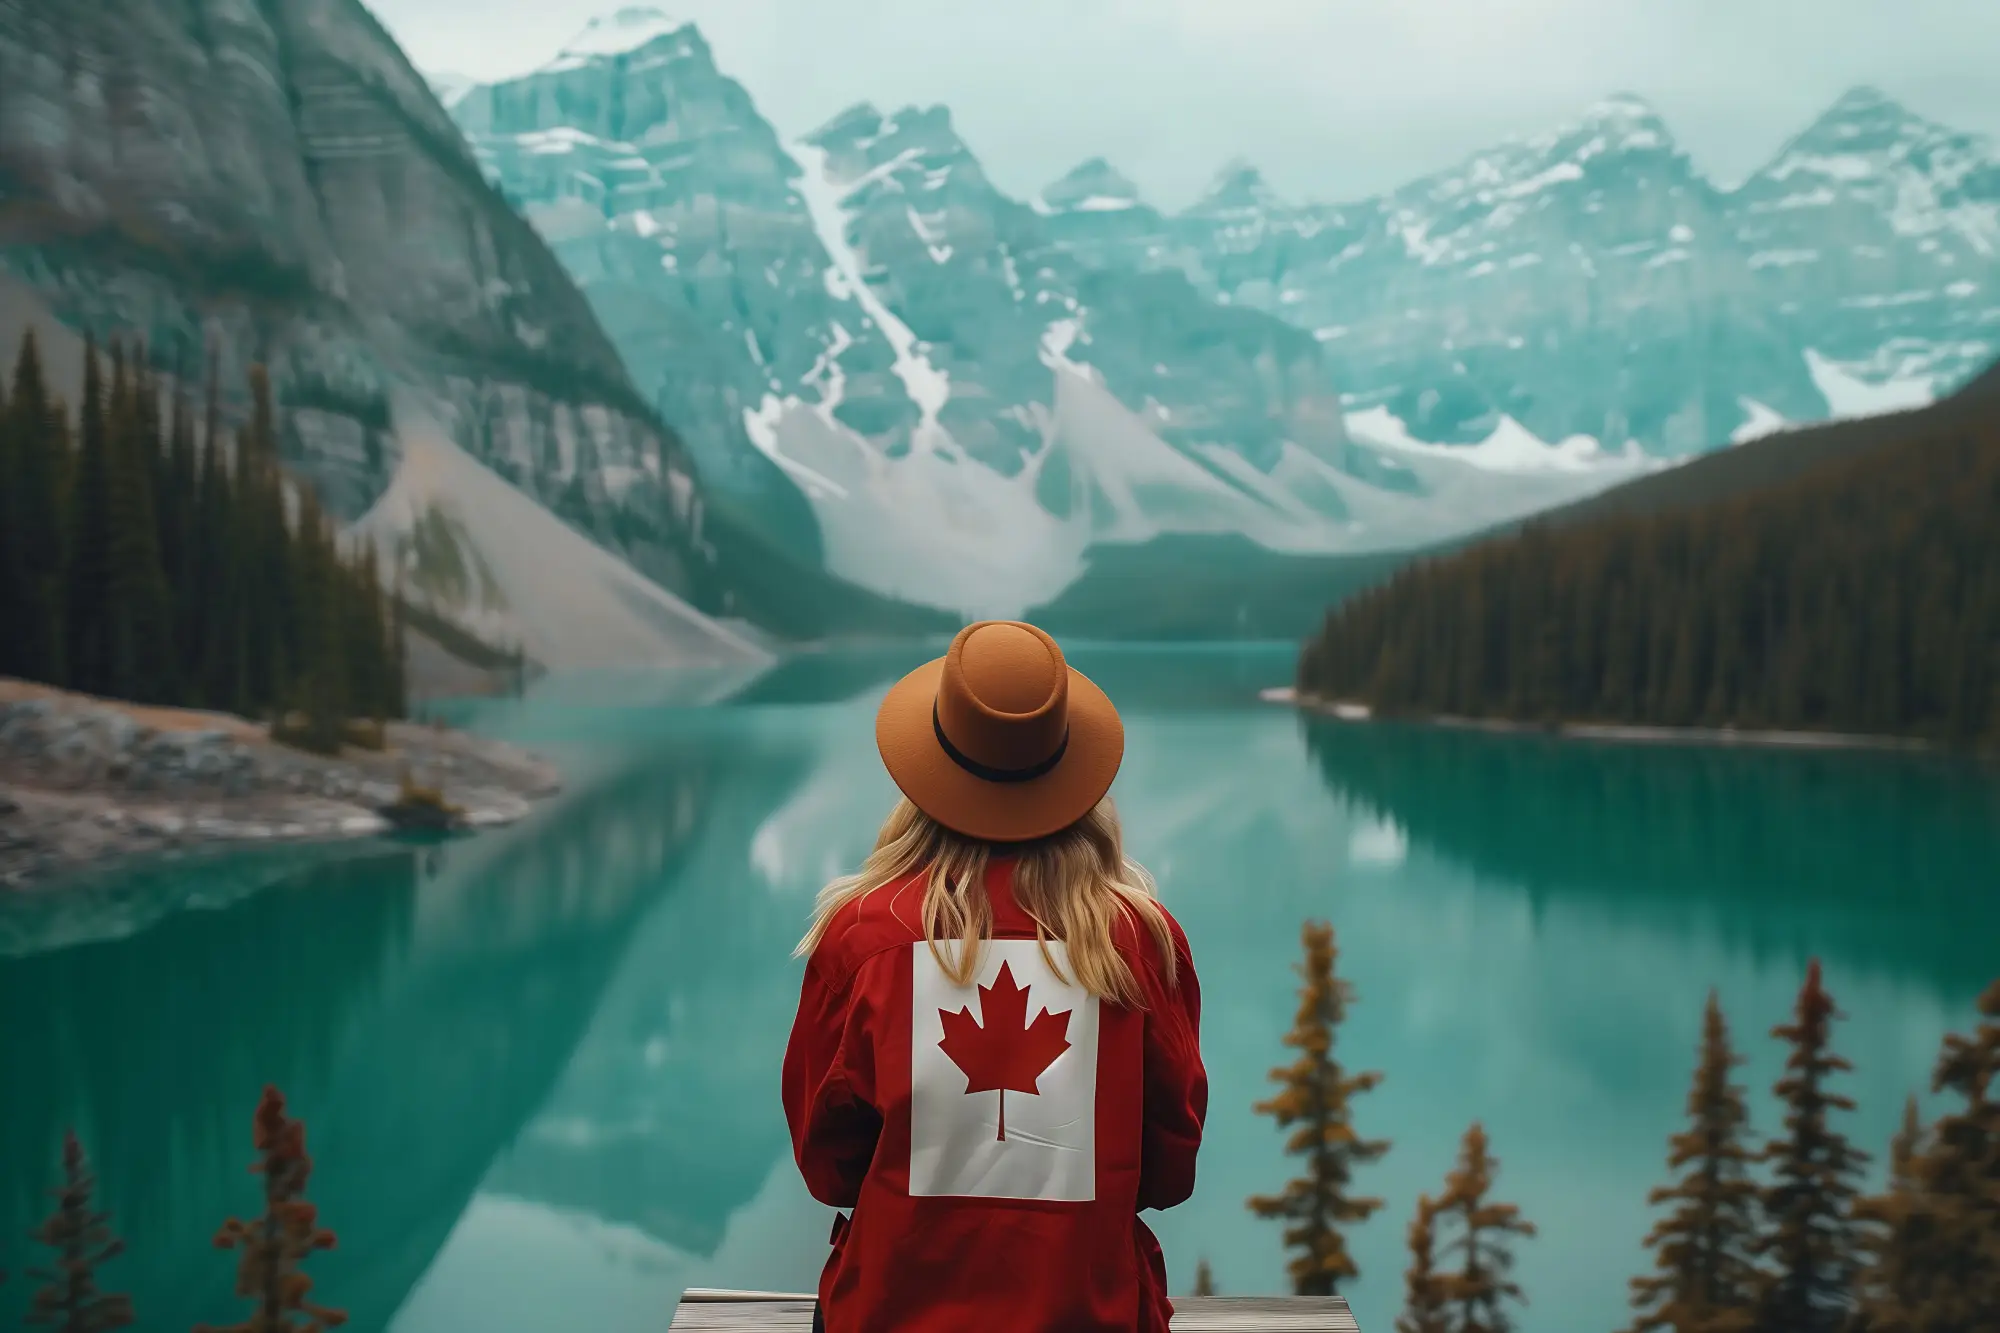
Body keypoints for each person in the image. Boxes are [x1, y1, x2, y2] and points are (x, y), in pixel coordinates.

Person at [783, 619, 1207, 1332]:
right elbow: (1170, 1168)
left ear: (928, 771)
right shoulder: (1139, 942)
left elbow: (829, 1167)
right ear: (1070, 772)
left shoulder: (862, 939)